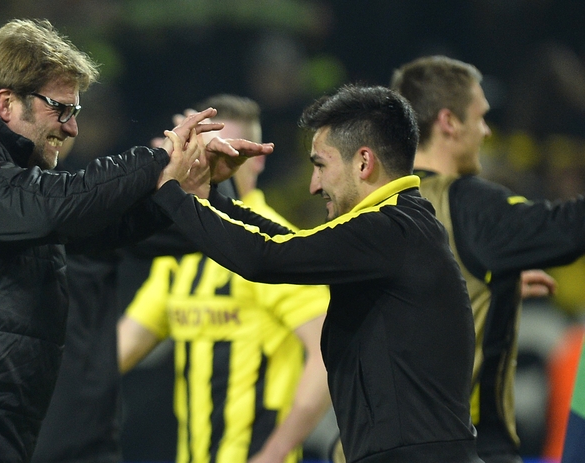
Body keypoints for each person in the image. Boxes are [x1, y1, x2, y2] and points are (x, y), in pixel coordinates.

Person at [0, 18, 273, 463]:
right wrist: (159, 158)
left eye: (76, 112)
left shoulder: (6, 176)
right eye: (60, 109)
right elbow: (53, 205)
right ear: (6, 102)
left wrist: (186, 186)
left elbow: (97, 225)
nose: (72, 128)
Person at [152, 84, 483, 463]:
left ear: (363, 162)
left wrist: (170, 192)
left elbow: (266, 259)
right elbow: (294, 247)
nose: (313, 185)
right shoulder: (396, 228)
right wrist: (210, 197)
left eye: (321, 165)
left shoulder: (388, 231)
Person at [388, 55, 585, 463]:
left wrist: (487, 283)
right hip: (467, 446)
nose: (486, 131)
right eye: (479, 118)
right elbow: (566, 227)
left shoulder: (371, 207)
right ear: (448, 123)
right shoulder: (470, 204)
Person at [117, 94, 332, 463]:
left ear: (256, 157)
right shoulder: (181, 250)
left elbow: (327, 354)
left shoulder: (277, 247)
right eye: (204, 147)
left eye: (226, 148)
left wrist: (274, 453)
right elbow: (123, 347)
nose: (211, 158)